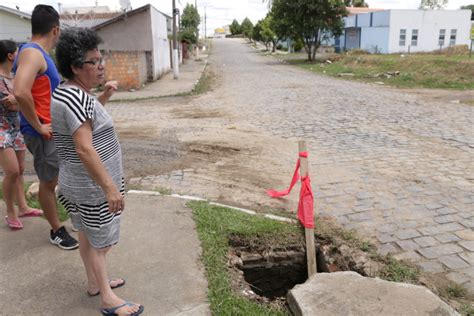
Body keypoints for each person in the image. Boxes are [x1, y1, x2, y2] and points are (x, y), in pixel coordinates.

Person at [52, 27, 143, 315]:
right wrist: (109, 188)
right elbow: (84, 148)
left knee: (86, 235)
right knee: (101, 243)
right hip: (91, 188)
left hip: (78, 184)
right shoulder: (78, 98)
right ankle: (106, 297)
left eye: (101, 59)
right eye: (94, 61)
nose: (101, 65)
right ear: (76, 67)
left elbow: (84, 123)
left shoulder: (70, 93)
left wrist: (103, 97)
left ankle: (95, 283)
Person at [13, 5, 78, 248]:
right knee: (48, 182)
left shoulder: (33, 52)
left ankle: (69, 219)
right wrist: (38, 125)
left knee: (56, 177)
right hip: (42, 133)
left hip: (50, 130)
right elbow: (20, 91)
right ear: (56, 30)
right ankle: (56, 230)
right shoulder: (33, 53)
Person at [0, 40, 43, 230]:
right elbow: (13, 103)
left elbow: (22, 100)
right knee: (12, 172)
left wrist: (18, 98)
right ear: (10, 56)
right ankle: (10, 211)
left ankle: (24, 207)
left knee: (20, 170)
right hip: (1, 130)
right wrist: (20, 98)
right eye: (18, 53)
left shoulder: (15, 77)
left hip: (15, 127)